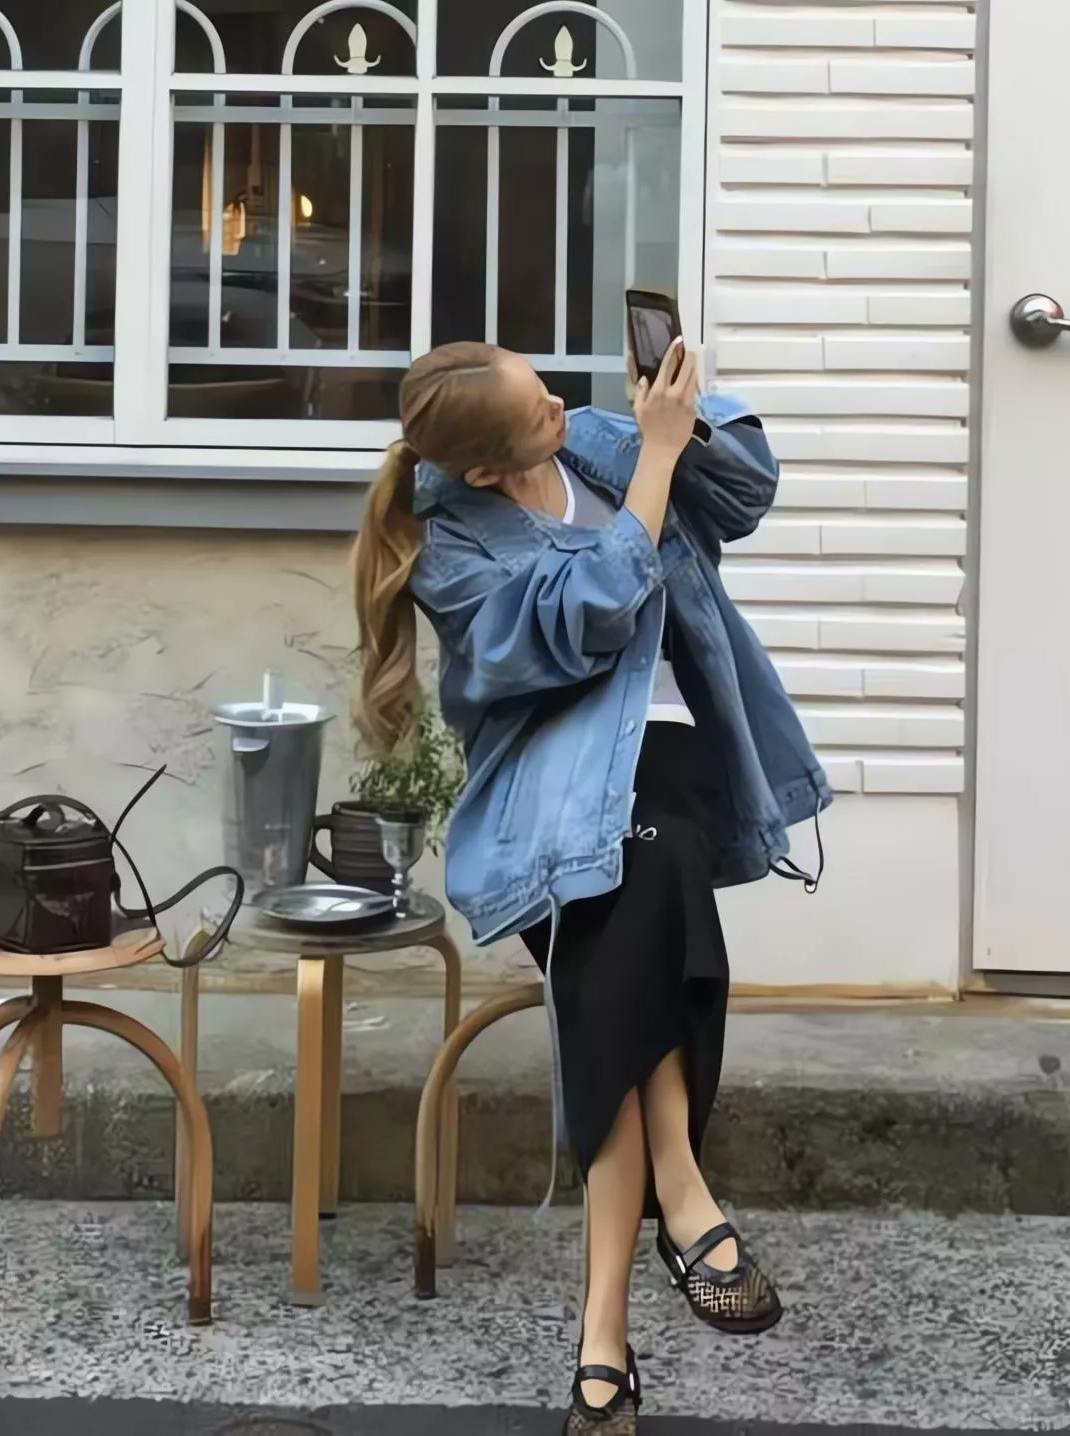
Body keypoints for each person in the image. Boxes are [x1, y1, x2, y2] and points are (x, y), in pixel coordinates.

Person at [352, 337, 830, 1435]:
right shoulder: (452, 549)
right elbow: (591, 617)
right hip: (552, 800)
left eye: (550, 387)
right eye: (538, 410)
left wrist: (683, 419)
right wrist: (655, 461)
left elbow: (746, 494)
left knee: (635, 904)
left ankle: (603, 1343)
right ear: (484, 467)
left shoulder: (601, 442)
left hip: (677, 754)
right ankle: (673, 1202)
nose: (562, 407)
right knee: (638, 910)